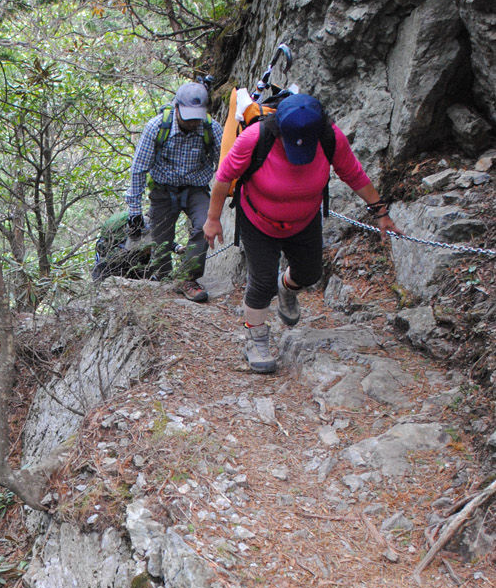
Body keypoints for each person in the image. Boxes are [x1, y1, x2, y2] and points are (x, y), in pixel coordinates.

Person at [203, 93, 401, 373]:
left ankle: (287, 287)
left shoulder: (330, 138)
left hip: (304, 220)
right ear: (278, 130)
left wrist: (381, 212)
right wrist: (213, 219)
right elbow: (224, 177)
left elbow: (353, 174)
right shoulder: (255, 138)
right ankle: (255, 339)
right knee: (261, 283)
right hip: (258, 220)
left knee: (310, 274)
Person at [125, 81, 220, 303]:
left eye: (197, 117)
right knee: (161, 241)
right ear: (176, 107)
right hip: (163, 190)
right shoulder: (157, 128)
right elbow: (139, 170)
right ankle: (165, 279)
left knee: (205, 225)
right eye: (188, 117)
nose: (193, 122)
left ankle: (188, 279)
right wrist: (134, 212)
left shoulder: (211, 129)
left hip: (196, 188)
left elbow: (225, 165)